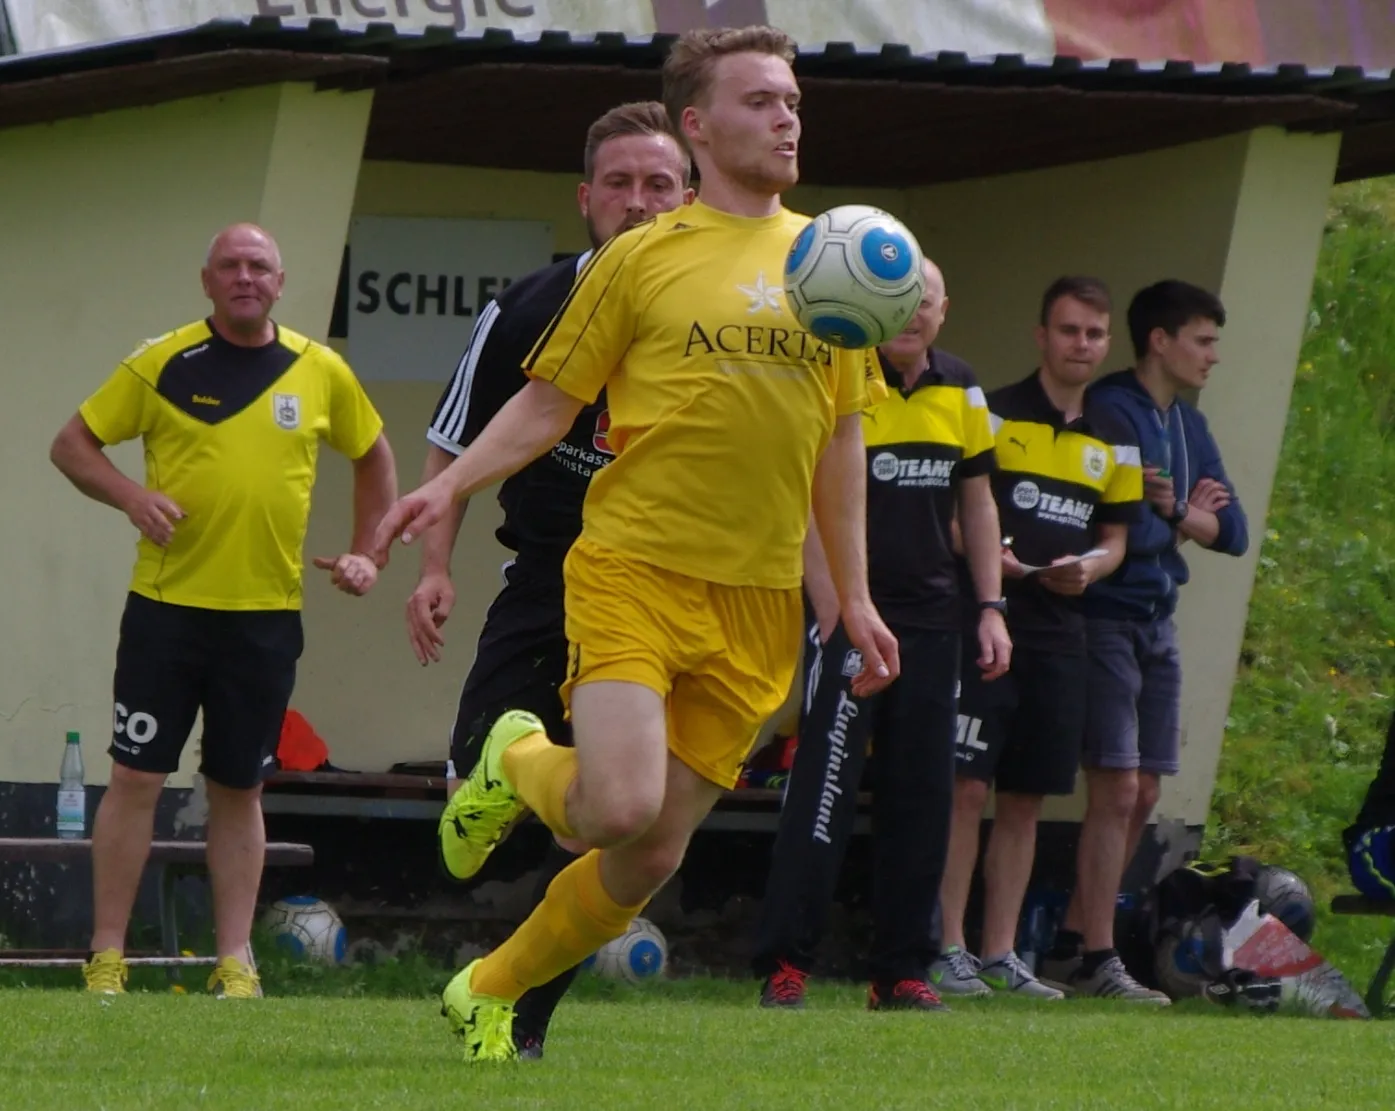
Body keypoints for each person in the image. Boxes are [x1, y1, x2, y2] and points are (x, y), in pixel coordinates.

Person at [371, 25, 898, 1062]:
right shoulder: (639, 258)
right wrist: (446, 488)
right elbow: (545, 403)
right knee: (615, 806)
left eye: (793, 101)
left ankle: (490, 989)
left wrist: (855, 596)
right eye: (760, 101)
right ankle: (511, 753)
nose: (787, 118)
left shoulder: (831, 260)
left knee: (650, 854)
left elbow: (840, 442)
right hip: (633, 570)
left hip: (756, 603)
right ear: (697, 124)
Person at [410, 101, 693, 1058]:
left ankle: (518, 1013)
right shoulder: (528, 308)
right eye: (619, 183)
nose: (638, 202)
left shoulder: (719, 318)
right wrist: (434, 568)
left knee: (612, 830)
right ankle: (507, 769)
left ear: (688, 195)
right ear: (584, 198)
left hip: (661, 590)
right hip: (546, 579)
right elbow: (453, 444)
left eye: (659, 184)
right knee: (473, 793)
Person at [49, 223, 397, 998]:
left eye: (259, 266)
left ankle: (235, 960)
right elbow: (72, 444)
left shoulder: (319, 369)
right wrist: (131, 496)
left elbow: (374, 453)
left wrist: (368, 552)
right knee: (135, 777)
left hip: (264, 619)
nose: (245, 277)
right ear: (206, 280)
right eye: (230, 266)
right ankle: (106, 957)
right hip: (166, 612)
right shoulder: (162, 362)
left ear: (280, 282)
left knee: (239, 788)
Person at [750, 259, 1009, 1010]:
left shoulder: (961, 387)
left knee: (922, 800)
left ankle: (900, 972)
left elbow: (978, 503)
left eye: (928, 301)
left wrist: (990, 607)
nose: (915, 313)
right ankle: (785, 964)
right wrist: (834, 611)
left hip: (932, 627)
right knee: (822, 795)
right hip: (850, 623)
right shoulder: (838, 375)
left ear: (943, 310)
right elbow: (805, 500)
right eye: (904, 300)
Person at [932, 276, 1142, 1000]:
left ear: (1106, 343)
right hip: (985, 622)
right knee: (965, 787)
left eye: (1093, 333)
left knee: (1024, 798)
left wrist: (1090, 567)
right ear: (1041, 336)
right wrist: (1003, 564)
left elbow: (1116, 539)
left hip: (1062, 634)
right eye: (1068, 330)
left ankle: (1000, 952)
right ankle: (947, 946)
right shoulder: (992, 412)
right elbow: (955, 518)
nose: (1081, 344)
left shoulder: (1116, 437)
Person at [1039, 279, 1248, 1000]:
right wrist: (1177, 520)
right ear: (1160, 341)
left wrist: (1180, 514)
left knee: (1146, 787)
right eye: (1203, 341)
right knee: (1116, 783)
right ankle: (1099, 954)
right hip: (1105, 619)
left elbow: (1233, 532)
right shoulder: (1112, 409)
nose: (1212, 356)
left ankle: (1070, 940)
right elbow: (1128, 527)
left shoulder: (1188, 424)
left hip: (1159, 620)